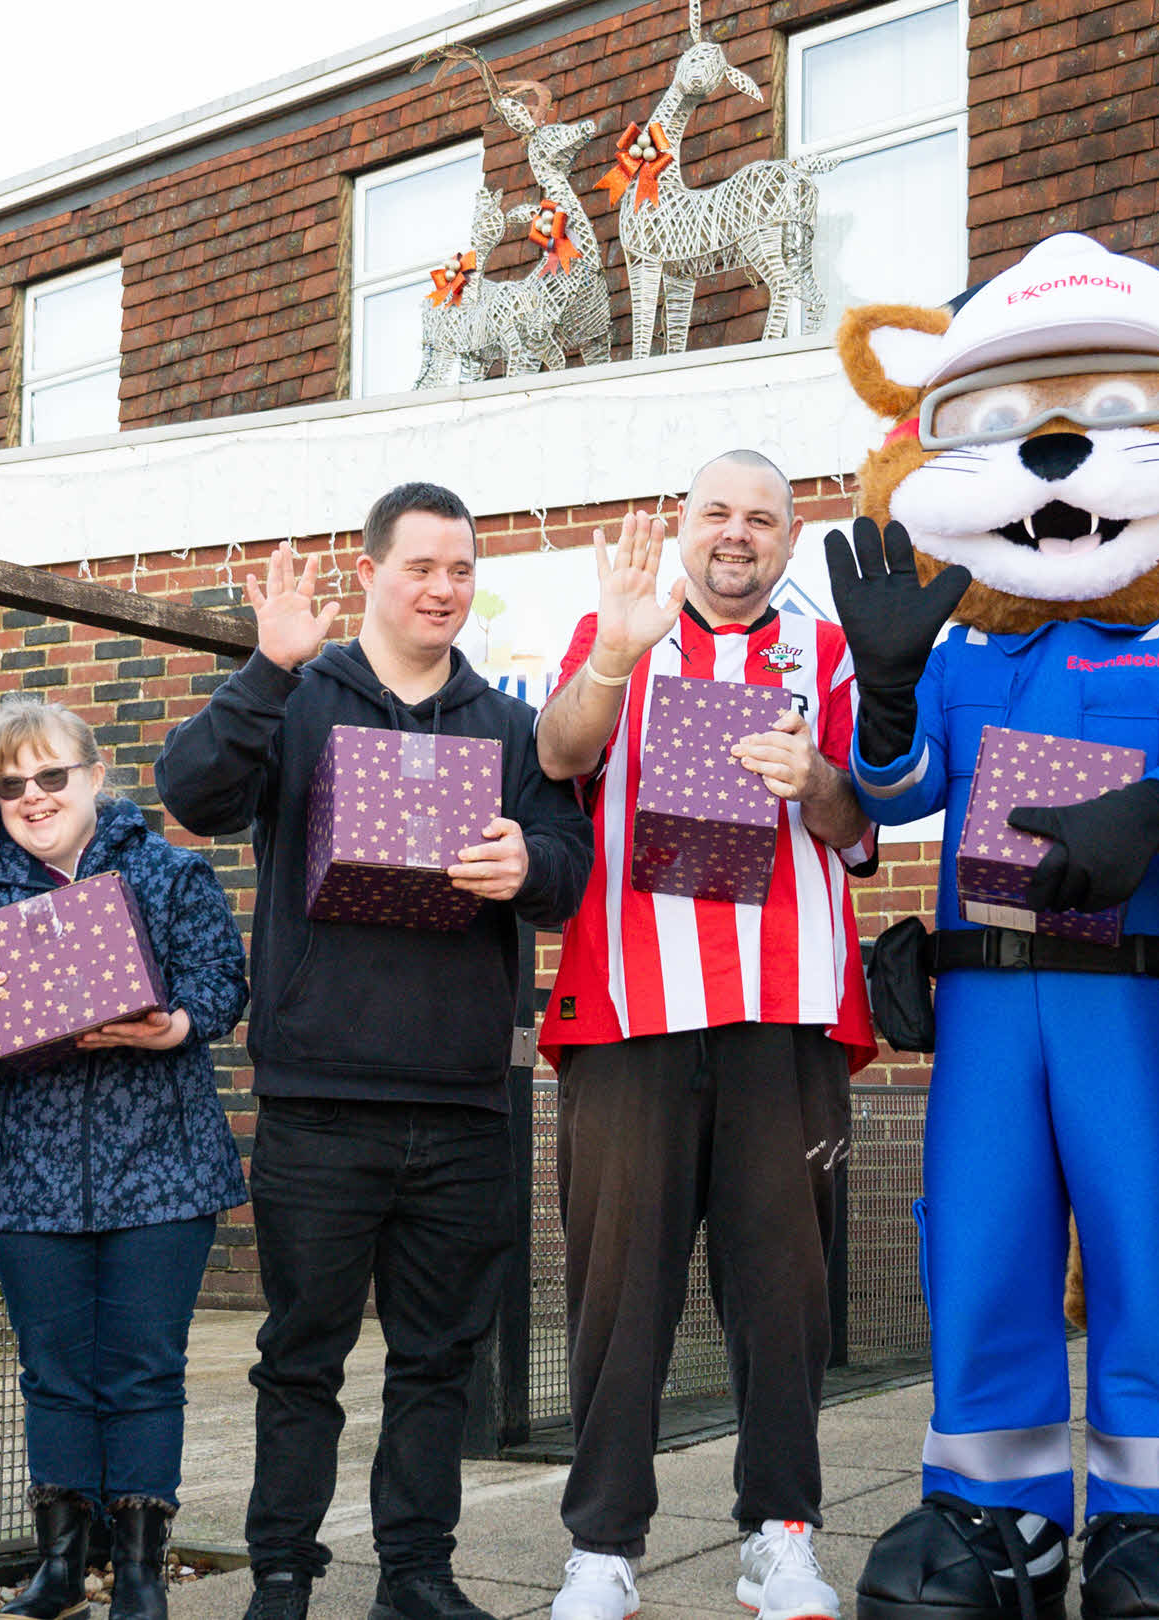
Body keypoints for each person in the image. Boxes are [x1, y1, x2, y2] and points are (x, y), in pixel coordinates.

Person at [155, 483, 593, 1620]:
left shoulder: (506, 726)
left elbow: (567, 859)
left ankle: (417, 1575)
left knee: (438, 1362)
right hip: (320, 1096)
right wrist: (266, 669)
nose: (443, 589)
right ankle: (285, 1576)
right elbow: (192, 793)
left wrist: (529, 869)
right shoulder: (298, 703)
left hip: (462, 1099)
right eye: (422, 568)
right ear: (370, 573)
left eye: (461, 570)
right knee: (300, 1359)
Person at [530, 452, 878, 1620]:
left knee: (785, 1291)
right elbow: (563, 755)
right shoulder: (614, 626)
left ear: (791, 536)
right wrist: (615, 659)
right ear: (685, 528)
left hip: (785, 1011)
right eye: (718, 514)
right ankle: (603, 1548)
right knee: (619, 1289)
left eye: (762, 519)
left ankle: (779, 1536)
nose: (739, 534)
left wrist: (815, 777)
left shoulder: (825, 652)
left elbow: (859, 823)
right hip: (633, 1007)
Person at [0, 697, 251, 1620]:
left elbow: (222, 986)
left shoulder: (171, 873)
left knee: (143, 1370)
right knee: (54, 1372)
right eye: (11, 785)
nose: (33, 797)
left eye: (51, 776)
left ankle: (143, 1572)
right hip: (30, 1169)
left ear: (93, 775)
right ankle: (60, 1569)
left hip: (162, 1164)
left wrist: (175, 1025)